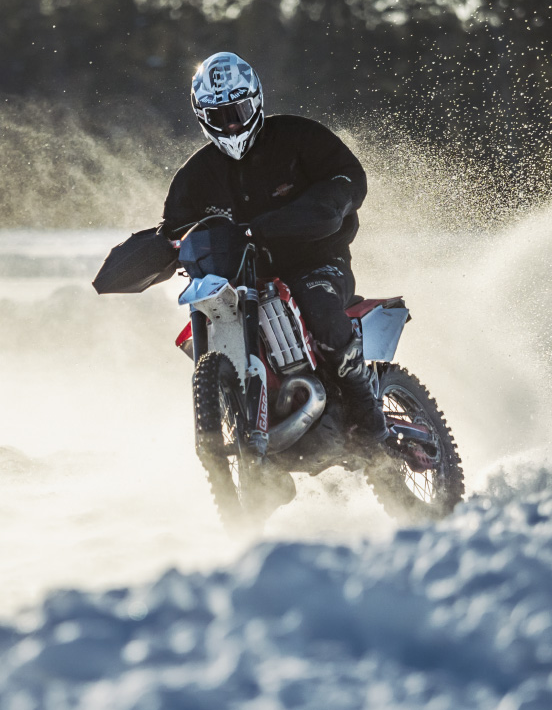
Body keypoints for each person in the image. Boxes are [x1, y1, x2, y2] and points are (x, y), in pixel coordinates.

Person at [158, 51, 388, 442]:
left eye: (239, 111)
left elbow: (348, 176)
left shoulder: (299, 137)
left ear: (257, 101)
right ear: (203, 117)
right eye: (219, 117)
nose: (232, 123)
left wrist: (325, 207)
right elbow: (174, 228)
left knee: (318, 304)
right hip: (239, 278)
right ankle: (239, 420)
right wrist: (156, 249)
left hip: (318, 259)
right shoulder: (195, 176)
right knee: (205, 327)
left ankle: (368, 414)